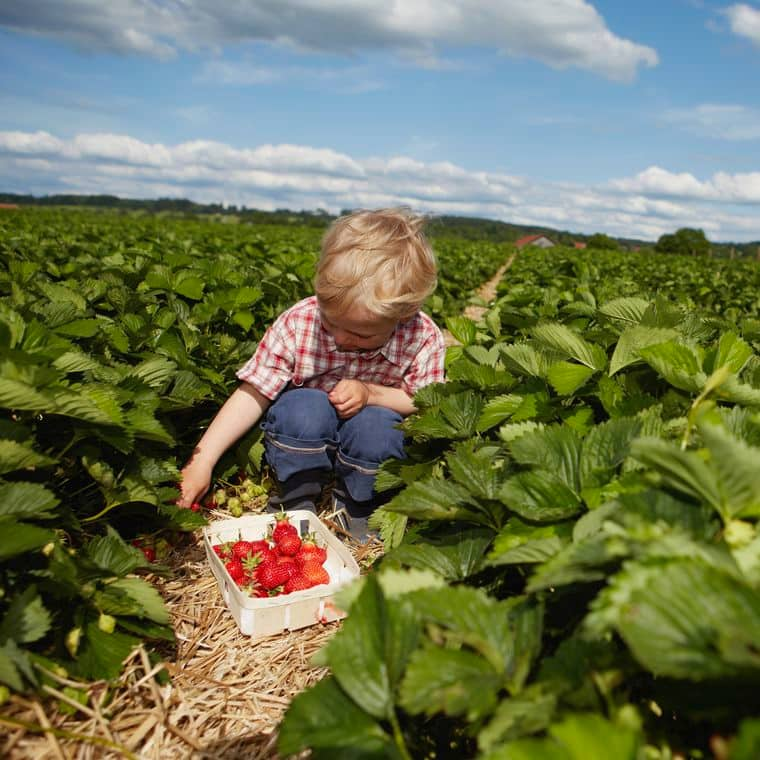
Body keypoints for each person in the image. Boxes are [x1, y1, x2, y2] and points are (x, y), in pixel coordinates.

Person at [177, 207, 446, 540]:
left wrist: (370, 393)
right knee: (301, 408)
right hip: (307, 434)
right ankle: (295, 494)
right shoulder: (300, 321)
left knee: (379, 426)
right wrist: (202, 460)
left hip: (369, 444)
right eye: (332, 323)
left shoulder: (421, 336)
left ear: (404, 316)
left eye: (362, 335)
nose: (341, 339)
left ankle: (359, 506)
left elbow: (425, 401)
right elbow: (254, 391)